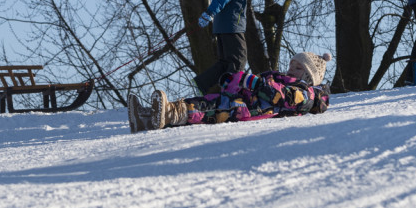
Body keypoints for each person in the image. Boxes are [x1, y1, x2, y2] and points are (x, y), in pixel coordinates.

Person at [129, 52, 332, 131]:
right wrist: (235, 83)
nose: (290, 69)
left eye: (297, 68)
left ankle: (168, 113)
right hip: (242, 101)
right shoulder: (279, 78)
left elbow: (284, 98)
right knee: (204, 100)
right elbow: (260, 86)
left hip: (248, 110)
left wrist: (255, 83)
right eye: (291, 64)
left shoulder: (307, 94)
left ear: (309, 77)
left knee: (208, 109)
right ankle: (146, 118)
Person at [195, 0, 257, 94]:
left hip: (221, 27)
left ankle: (202, 83)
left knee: (225, 62)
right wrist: (209, 12)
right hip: (232, 26)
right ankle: (231, 93)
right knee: (238, 60)